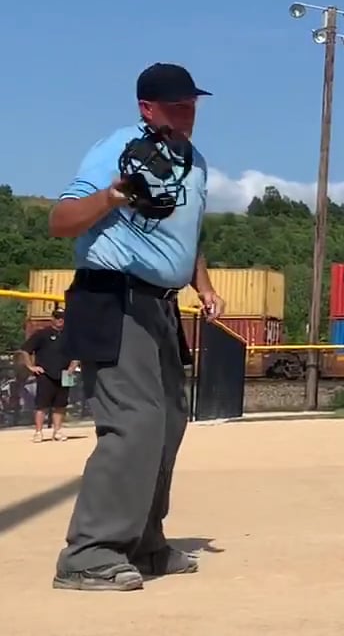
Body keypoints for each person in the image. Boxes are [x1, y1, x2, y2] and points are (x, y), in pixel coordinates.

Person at [46, 63, 225, 591]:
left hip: (161, 306)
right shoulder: (117, 147)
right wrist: (112, 196)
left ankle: (143, 543)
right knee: (135, 421)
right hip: (112, 296)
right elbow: (60, 221)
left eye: (191, 104)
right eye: (175, 106)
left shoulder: (195, 162)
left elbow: (188, 235)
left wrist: (203, 284)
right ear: (147, 108)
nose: (186, 113)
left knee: (169, 421)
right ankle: (89, 553)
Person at [24, 307, 73, 441]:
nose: (60, 320)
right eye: (57, 317)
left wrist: (72, 367)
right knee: (42, 405)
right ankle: (38, 432)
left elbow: (76, 353)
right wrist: (31, 366)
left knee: (61, 405)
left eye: (62, 318)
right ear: (52, 318)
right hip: (45, 374)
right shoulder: (42, 334)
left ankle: (57, 431)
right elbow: (26, 350)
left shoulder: (70, 335)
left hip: (65, 374)